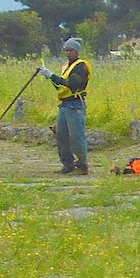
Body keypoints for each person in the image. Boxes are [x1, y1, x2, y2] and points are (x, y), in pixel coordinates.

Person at [41, 36, 91, 175]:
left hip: (75, 105)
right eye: (66, 50)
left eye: (70, 50)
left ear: (77, 51)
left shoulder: (81, 66)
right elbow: (61, 86)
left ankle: (82, 165)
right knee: (61, 136)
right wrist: (49, 77)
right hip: (64, 105)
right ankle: (68, 164)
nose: (68, 53)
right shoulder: (66, 67)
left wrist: (51, 76)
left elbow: (73, 84)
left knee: (76, 136)